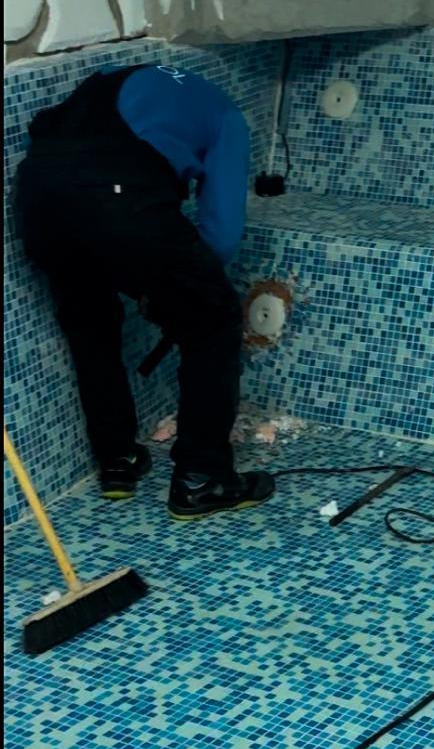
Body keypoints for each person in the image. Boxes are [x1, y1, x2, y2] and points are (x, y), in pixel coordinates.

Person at [15, 62, 275, 521]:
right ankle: (203, 477)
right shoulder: (227, 117)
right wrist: (184, 292)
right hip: (118, 198)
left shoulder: (112, 78)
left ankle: (117, 458)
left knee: (91, 322)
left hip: (39, 197)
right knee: (214, 321)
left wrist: (161, 285)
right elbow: (221, 235)